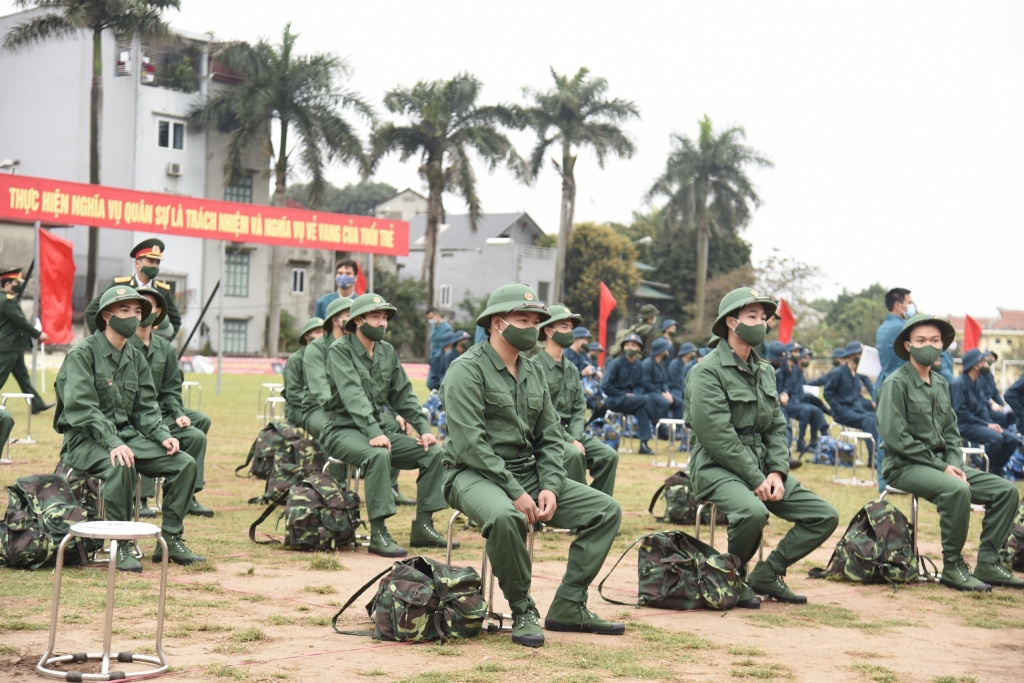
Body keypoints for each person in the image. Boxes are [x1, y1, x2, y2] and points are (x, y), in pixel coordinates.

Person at [440, 283, 623, 648]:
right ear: (496, 323)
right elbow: (471, 444)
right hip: (471, 473)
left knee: (606, 510)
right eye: (521, 319)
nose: (532, 328)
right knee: (507, 516)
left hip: (527, 473)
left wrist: (551, 485)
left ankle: (569, 605)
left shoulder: (533, 370)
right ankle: (522, 608)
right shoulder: (467, 370)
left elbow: (551, 436)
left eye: (535, 321)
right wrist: (516, 491)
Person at [686, 287, 839, 605]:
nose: (761, 322)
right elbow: (717, 437)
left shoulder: (765, 371)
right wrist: (755, 477)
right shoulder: (706, 371)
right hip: (716, 466)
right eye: (752, 316)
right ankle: (734, 576)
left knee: (823, 515)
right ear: (731, 322)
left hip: (760, 466)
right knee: (752, 512)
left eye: (763, 317)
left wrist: (777, 472)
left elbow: (775, 427)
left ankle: (769, 572)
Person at [54, 286, 203, 572]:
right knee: (120, 462)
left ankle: (171, 538)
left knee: (184, 463)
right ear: (107, 316)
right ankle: (119, 543)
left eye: (137, 312)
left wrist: (163, 435)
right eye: (125, 311)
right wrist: (112, 442)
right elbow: (82, 409)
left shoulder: (135, 357)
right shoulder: (83, 354)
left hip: (127, 437)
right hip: (84, 439)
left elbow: (146, 409)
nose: (133, 317)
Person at [877, 314, 1023, 591]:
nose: (928, 345)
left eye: (935, 340)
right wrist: (943, 468)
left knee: (1005, 491)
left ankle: (988, 564)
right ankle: (953, 567)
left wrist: (953, 464)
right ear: (908, 345)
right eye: (921, 340)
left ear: (943, 346)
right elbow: (897, 439)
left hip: (941, 465)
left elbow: (952, 434)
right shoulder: (896, 384)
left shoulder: (942, 384)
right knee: (958, 490)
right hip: (904, 465)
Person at [320, 293, 449, 557]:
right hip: (342, 429)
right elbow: (352, 394)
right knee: (379, 454)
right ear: (358, 320)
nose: (382, 323)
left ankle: (424, 525)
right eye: (375, 316)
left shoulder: (386, 352)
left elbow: (403, 394)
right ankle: (378, 533)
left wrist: (424, 428)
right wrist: (375, 432)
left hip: (376, 428)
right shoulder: (340, 350)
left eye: (385, 318)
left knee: (434, 452)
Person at [132, 286, 214, 519]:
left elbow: (171, 388)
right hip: (136, 413)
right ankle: (142, 497)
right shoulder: (124, 344)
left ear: (158, 312)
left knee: (198, 430)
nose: (145, 311)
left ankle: (186, 494)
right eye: (140, 306)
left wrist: (178, 412)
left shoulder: (165, 348)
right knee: (146, 434)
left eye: (150, 306)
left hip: (161, 411)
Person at [536, 305, 619, 497]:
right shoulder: (535, 367)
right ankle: (581, 517)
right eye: (564, 327)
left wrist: (574, 436)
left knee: (608, 455)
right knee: (573, 454)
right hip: (545, 434)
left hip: (570, 432)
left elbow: (579, 408)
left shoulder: (571, 368)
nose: (570, 332)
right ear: (549, 331)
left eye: (571, 328)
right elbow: (540, 414)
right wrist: (570, 440)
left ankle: (599, 510)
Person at [84, 239, 181, 338]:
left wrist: (163, 345)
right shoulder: (121, 285)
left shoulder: (162, 290)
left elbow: (175, 320)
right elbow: (91, 311)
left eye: (157, 263)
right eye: (150, 261)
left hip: (149, 348)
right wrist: (104, 340)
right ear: (137, 264)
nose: (155, 266)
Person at [951, 349, 1019, 475]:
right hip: (964, 425)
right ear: (975, 365)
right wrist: (987, 425)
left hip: (979, 424)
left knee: (1012, 440)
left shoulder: (978, 382)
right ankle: (983, 473)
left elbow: (982, 407)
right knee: (996, 439)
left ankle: (994, 470)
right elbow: (961, 413)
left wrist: (990, 423)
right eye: (984, 361)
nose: (988, 364)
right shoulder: (958, 384)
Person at [603, 333, 666, 455]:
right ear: (623, 347)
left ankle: (643, 444)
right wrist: (623, 394)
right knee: (646, 399)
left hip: (632, 401)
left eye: (633, 345)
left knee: (642, 408)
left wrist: (634, 395)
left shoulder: (639, 365)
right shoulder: (616, 363)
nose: (630, 348)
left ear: (639, 349)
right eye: (627, 345)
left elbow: (640, 386)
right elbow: (605, 385)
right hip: (615, 400)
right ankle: (661, 429)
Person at [0, 268, 52, 413]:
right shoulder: (6, 301)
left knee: (23, 378)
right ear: (8, 285)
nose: (19, 285)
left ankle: (36, 404)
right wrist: (38, 334)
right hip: (8, 346)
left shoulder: (7, 299)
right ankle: (36, 403)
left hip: (14, 346)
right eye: (16, 282)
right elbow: (21, 321)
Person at [823, 341, 878, 464]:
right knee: (868, 421)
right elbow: (828, 393)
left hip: (856, 409)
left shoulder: (858, 373)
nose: (862, 357)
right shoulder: (838, 372)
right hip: (842, 412)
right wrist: (838, 408)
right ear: (851, 355)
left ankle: (879, 454)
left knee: (875, 417)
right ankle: (872, 458)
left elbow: (868, 386)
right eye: (860, 354)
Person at [283, 318, 325, 428]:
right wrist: (319, 402)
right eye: (317, 332)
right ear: (306, 336)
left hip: (324, 407)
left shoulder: (328, 357)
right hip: (299, 408)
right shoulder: (295, 360)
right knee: (326, 427)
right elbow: (292, 392)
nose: (322, 336)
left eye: (324, 332)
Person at [643, 338, 681, 422]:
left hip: (661, 392)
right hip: (649, 392)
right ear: (661, 351)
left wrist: (667, 392)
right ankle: (660, 429)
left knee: (679, 403)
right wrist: (661, 393)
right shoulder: (647, 363)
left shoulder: (662, 364)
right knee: (664, 403)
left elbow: (664, 381)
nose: (668, 351)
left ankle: (676, 430)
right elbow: (646, 383)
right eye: (666, 349)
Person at [978, 352, 1013, 429]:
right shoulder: (977, 374)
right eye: (990, 357)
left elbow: (994, 392)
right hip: (981, 407)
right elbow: (978, 395)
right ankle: (1001, 434)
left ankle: (1011, 433)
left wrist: (1003, 406)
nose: (992, 359)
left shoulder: (989, 374)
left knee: (1011, 413)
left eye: (993, 358)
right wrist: (991, 406)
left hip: (987, 406)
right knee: (1001, 416)